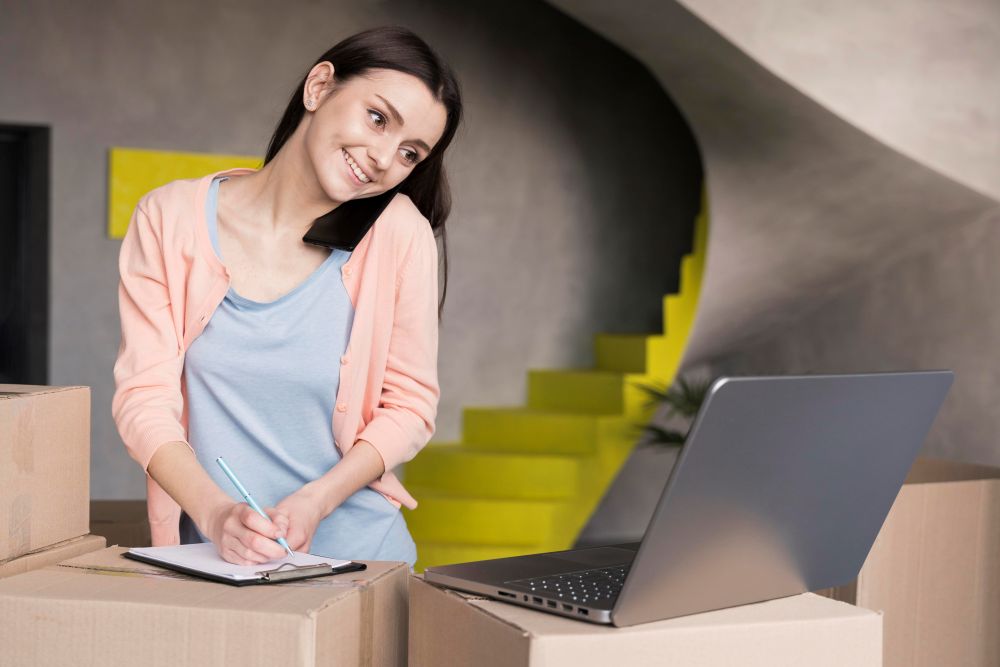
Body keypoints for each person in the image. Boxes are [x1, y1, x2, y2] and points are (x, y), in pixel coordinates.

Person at [112, 26, 463, 568]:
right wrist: (215, 514)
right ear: (319, 86)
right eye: (377, 118)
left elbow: (410, 407)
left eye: (409, 152)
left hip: (361, 562)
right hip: (216, 561)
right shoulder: (168, 218)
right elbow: (143, 400)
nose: (382, 158)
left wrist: (317, 501)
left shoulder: (399, 233)